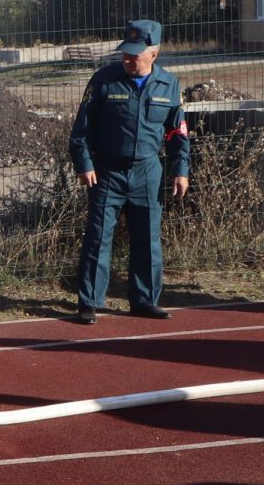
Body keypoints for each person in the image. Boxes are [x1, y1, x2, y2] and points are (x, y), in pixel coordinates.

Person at [67, 19, 191, 325]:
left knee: (148, 239)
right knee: (98, 238)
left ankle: (145, 300)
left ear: (154, 54)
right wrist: (84, 163)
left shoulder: (169, 85)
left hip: (147, 172)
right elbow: (81, 129)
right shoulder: (104, 81)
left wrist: (181, 170)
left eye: (134, 54)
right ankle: (90, 303)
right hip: (107, 171)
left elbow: (177, 133)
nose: (127, 59)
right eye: (125, 52)